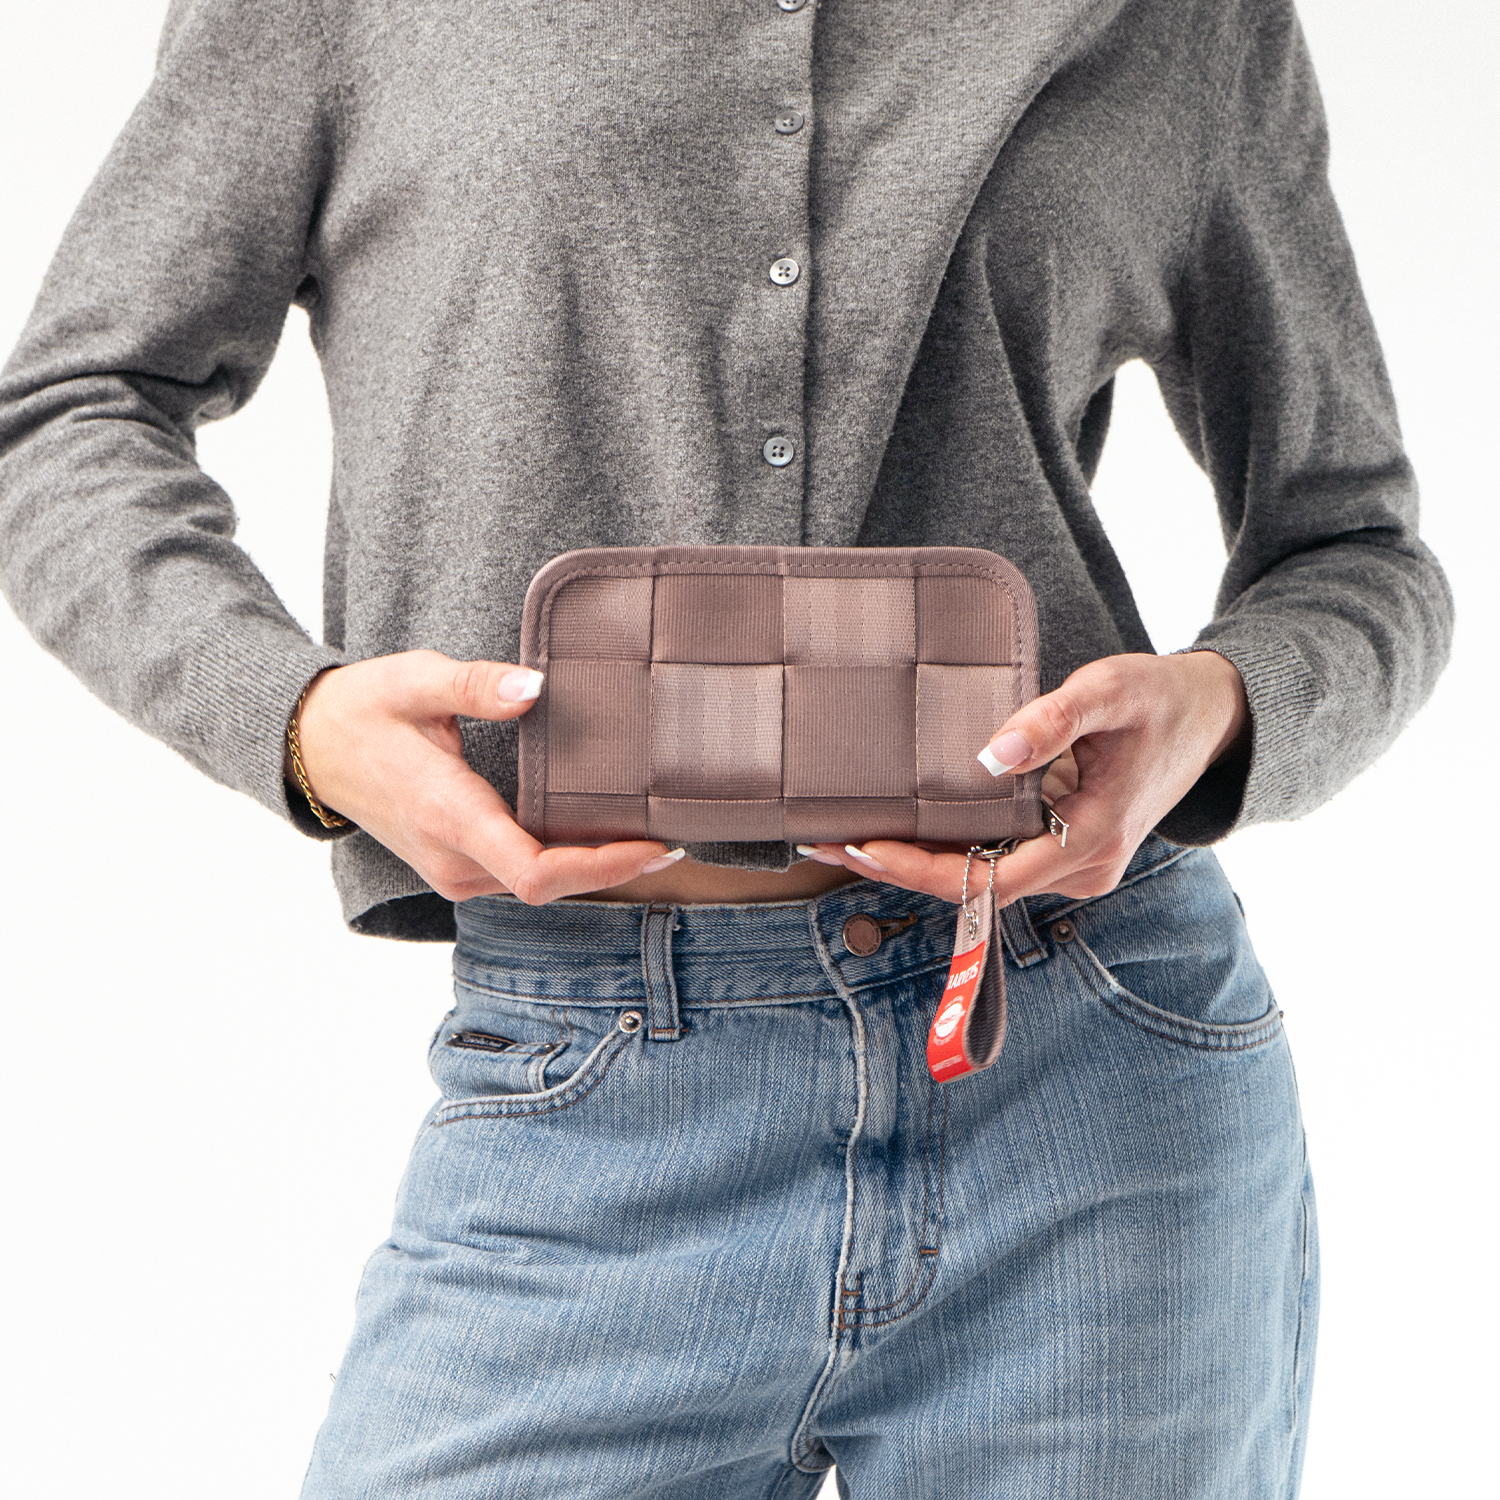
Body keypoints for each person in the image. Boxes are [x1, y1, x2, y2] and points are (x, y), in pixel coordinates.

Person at [0, 0, 1451, 1494]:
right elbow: (71, 412)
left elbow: (1356, 551)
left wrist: (1220, 711)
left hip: (1088, 1074)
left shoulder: (1182, 20)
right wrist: (294, 719)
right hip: (581, 1077)